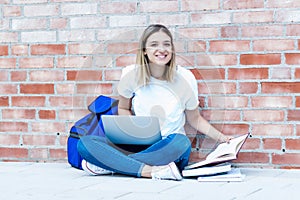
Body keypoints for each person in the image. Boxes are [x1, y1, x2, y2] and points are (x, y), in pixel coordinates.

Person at [77, 24, 231, 181]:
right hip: (140, 143)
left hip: (170, 146)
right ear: (144, 50)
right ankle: (152, 171)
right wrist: (133, 130)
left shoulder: (186, 77)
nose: (161, 49)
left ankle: (113, 164)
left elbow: (195, 119)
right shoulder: (131, 74)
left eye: (166, 44)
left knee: (182, 142)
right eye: (154, 44)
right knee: (84, 143)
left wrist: (222, 138)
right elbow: (123, 108)